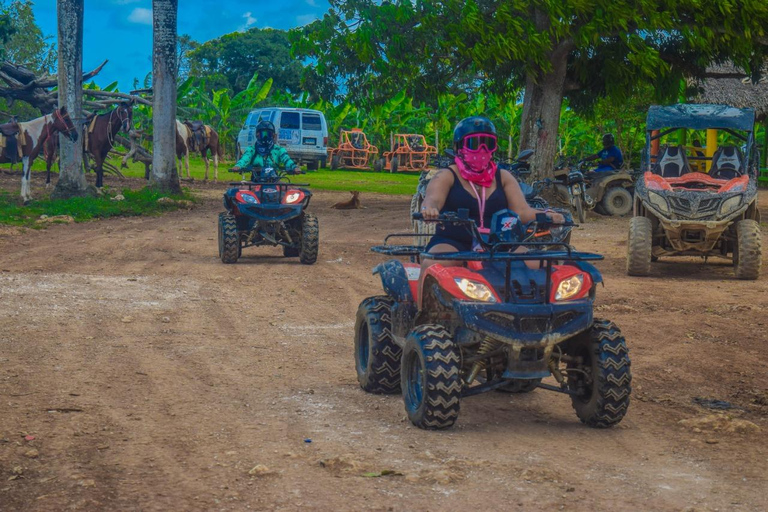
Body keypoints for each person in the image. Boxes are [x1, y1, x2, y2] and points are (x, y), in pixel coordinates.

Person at [420, 117, 565, 290]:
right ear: (460, 147)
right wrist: (430, 210)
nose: (482, 149)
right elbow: (432, 200)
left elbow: (522, 211)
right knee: (431, 264)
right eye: (474, 143)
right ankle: (421, 314)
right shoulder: (447, 175)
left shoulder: (503, 176)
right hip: (454, 240)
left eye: (488, 143)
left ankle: (547, 310)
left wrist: (547, 215)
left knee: (546, 264)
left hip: (500, 243)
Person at [232, 120, 302, 175]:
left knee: (289, 191)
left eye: (269, 134)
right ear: (257, 135)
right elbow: (244, 159)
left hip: (275, 181)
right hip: (255, 182)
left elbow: (287, 160)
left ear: (273, 136)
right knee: (241, 191)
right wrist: (238, 166)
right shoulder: (251, 150)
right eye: (263, 134)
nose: (265, 137)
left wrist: (294, 167)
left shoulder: (279, 150)